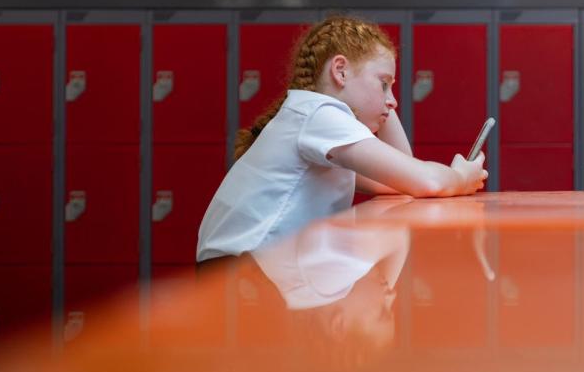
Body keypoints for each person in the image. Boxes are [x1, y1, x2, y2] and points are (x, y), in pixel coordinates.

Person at [196, 15, 487, 263]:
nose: (393, 101)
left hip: (256, 269)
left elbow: (398, 181)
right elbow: (426, 181)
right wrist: (460, 175)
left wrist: (381, 102)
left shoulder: (317, 124)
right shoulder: (319, 114)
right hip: (241, 272)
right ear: (340, 71)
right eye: (384, 84)